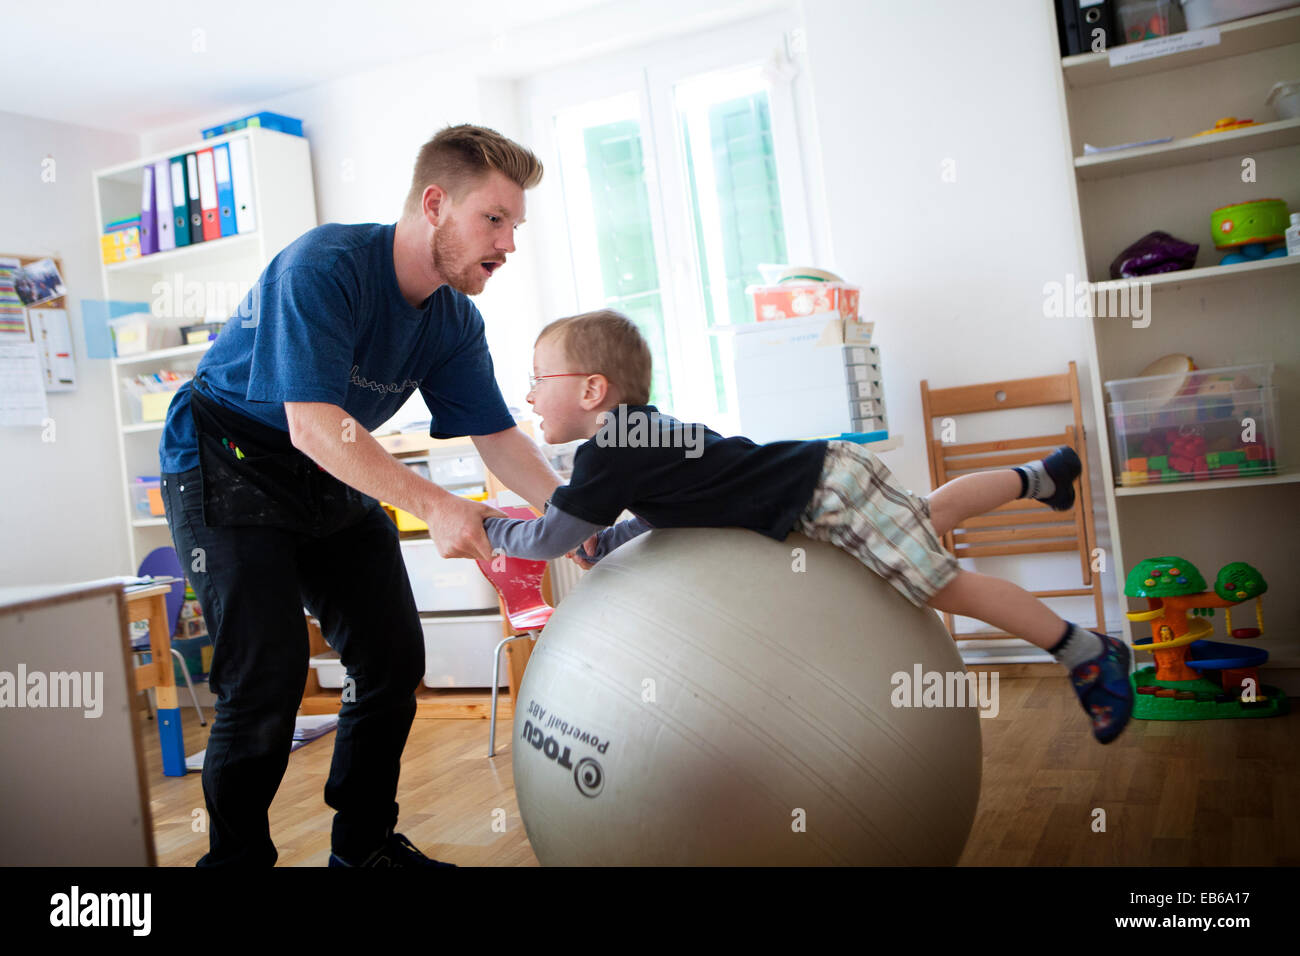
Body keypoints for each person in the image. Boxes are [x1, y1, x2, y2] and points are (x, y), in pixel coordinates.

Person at [158, 124, 565, 867]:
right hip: (229, 455)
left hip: (326, 462)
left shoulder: (451, 319)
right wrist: (437, 505)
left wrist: (581, 519)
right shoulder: (326, 268)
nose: (508, 244)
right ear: (435, 203)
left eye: (515, 226)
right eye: (495, 219)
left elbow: (499, 440)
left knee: (389, 656)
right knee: (266, 670)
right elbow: (313, 424)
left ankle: (364, 850)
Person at [484, 310, 1134, 745]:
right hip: (828, 479)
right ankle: (1043, 476)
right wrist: (608, 539)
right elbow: (681, 516)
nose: (531, 395)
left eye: (539, 379)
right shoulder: (641, 432)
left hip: (826, 498)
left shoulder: (611, 449)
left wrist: (492, 530)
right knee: (928, 513)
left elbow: (550, 539)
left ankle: (1087, 652)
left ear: (593, 390)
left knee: (944, 588)